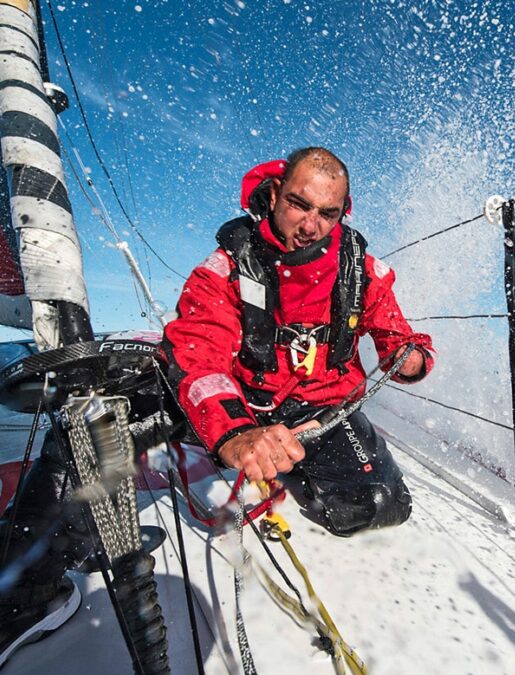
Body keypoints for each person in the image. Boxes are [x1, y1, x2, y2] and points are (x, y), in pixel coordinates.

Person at [160, 146, 434, 536]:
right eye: (298, 205)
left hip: (324, 410)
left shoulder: (361, 270)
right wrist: (235, 434)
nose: (310, 226)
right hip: (244, 405)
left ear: (342, 213)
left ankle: (296, 473)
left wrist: (412, 359)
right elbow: (198, 355)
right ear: (274, 195)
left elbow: (398, 335)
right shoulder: (226, 268)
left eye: (327, 213)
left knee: (381, 506)